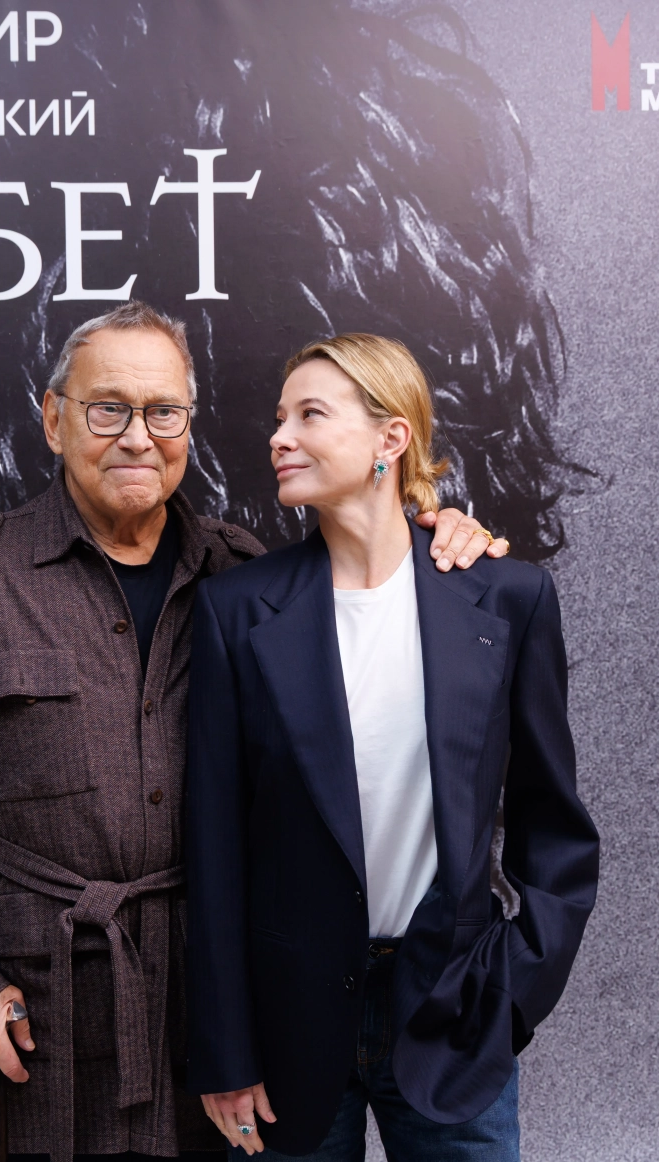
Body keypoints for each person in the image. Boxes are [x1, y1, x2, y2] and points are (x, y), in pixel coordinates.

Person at [0, 304, 502, 1162]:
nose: (138, 437)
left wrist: (442, 529)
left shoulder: (245, 578)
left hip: (203, 1030)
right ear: (54, 419)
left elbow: (376, 568)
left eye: (163, 412)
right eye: (108, 409)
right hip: (23, 1023)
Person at [185, 334, 600, 1161]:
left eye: (310, 415)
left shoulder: (507, 597)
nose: (279, 437)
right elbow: (214, 851)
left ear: (391, 437)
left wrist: (511, 992)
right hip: (286, 1027)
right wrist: (226, 1052)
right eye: (279, 418)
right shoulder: (236, 609)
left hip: (452, 1011)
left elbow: (554, 826)